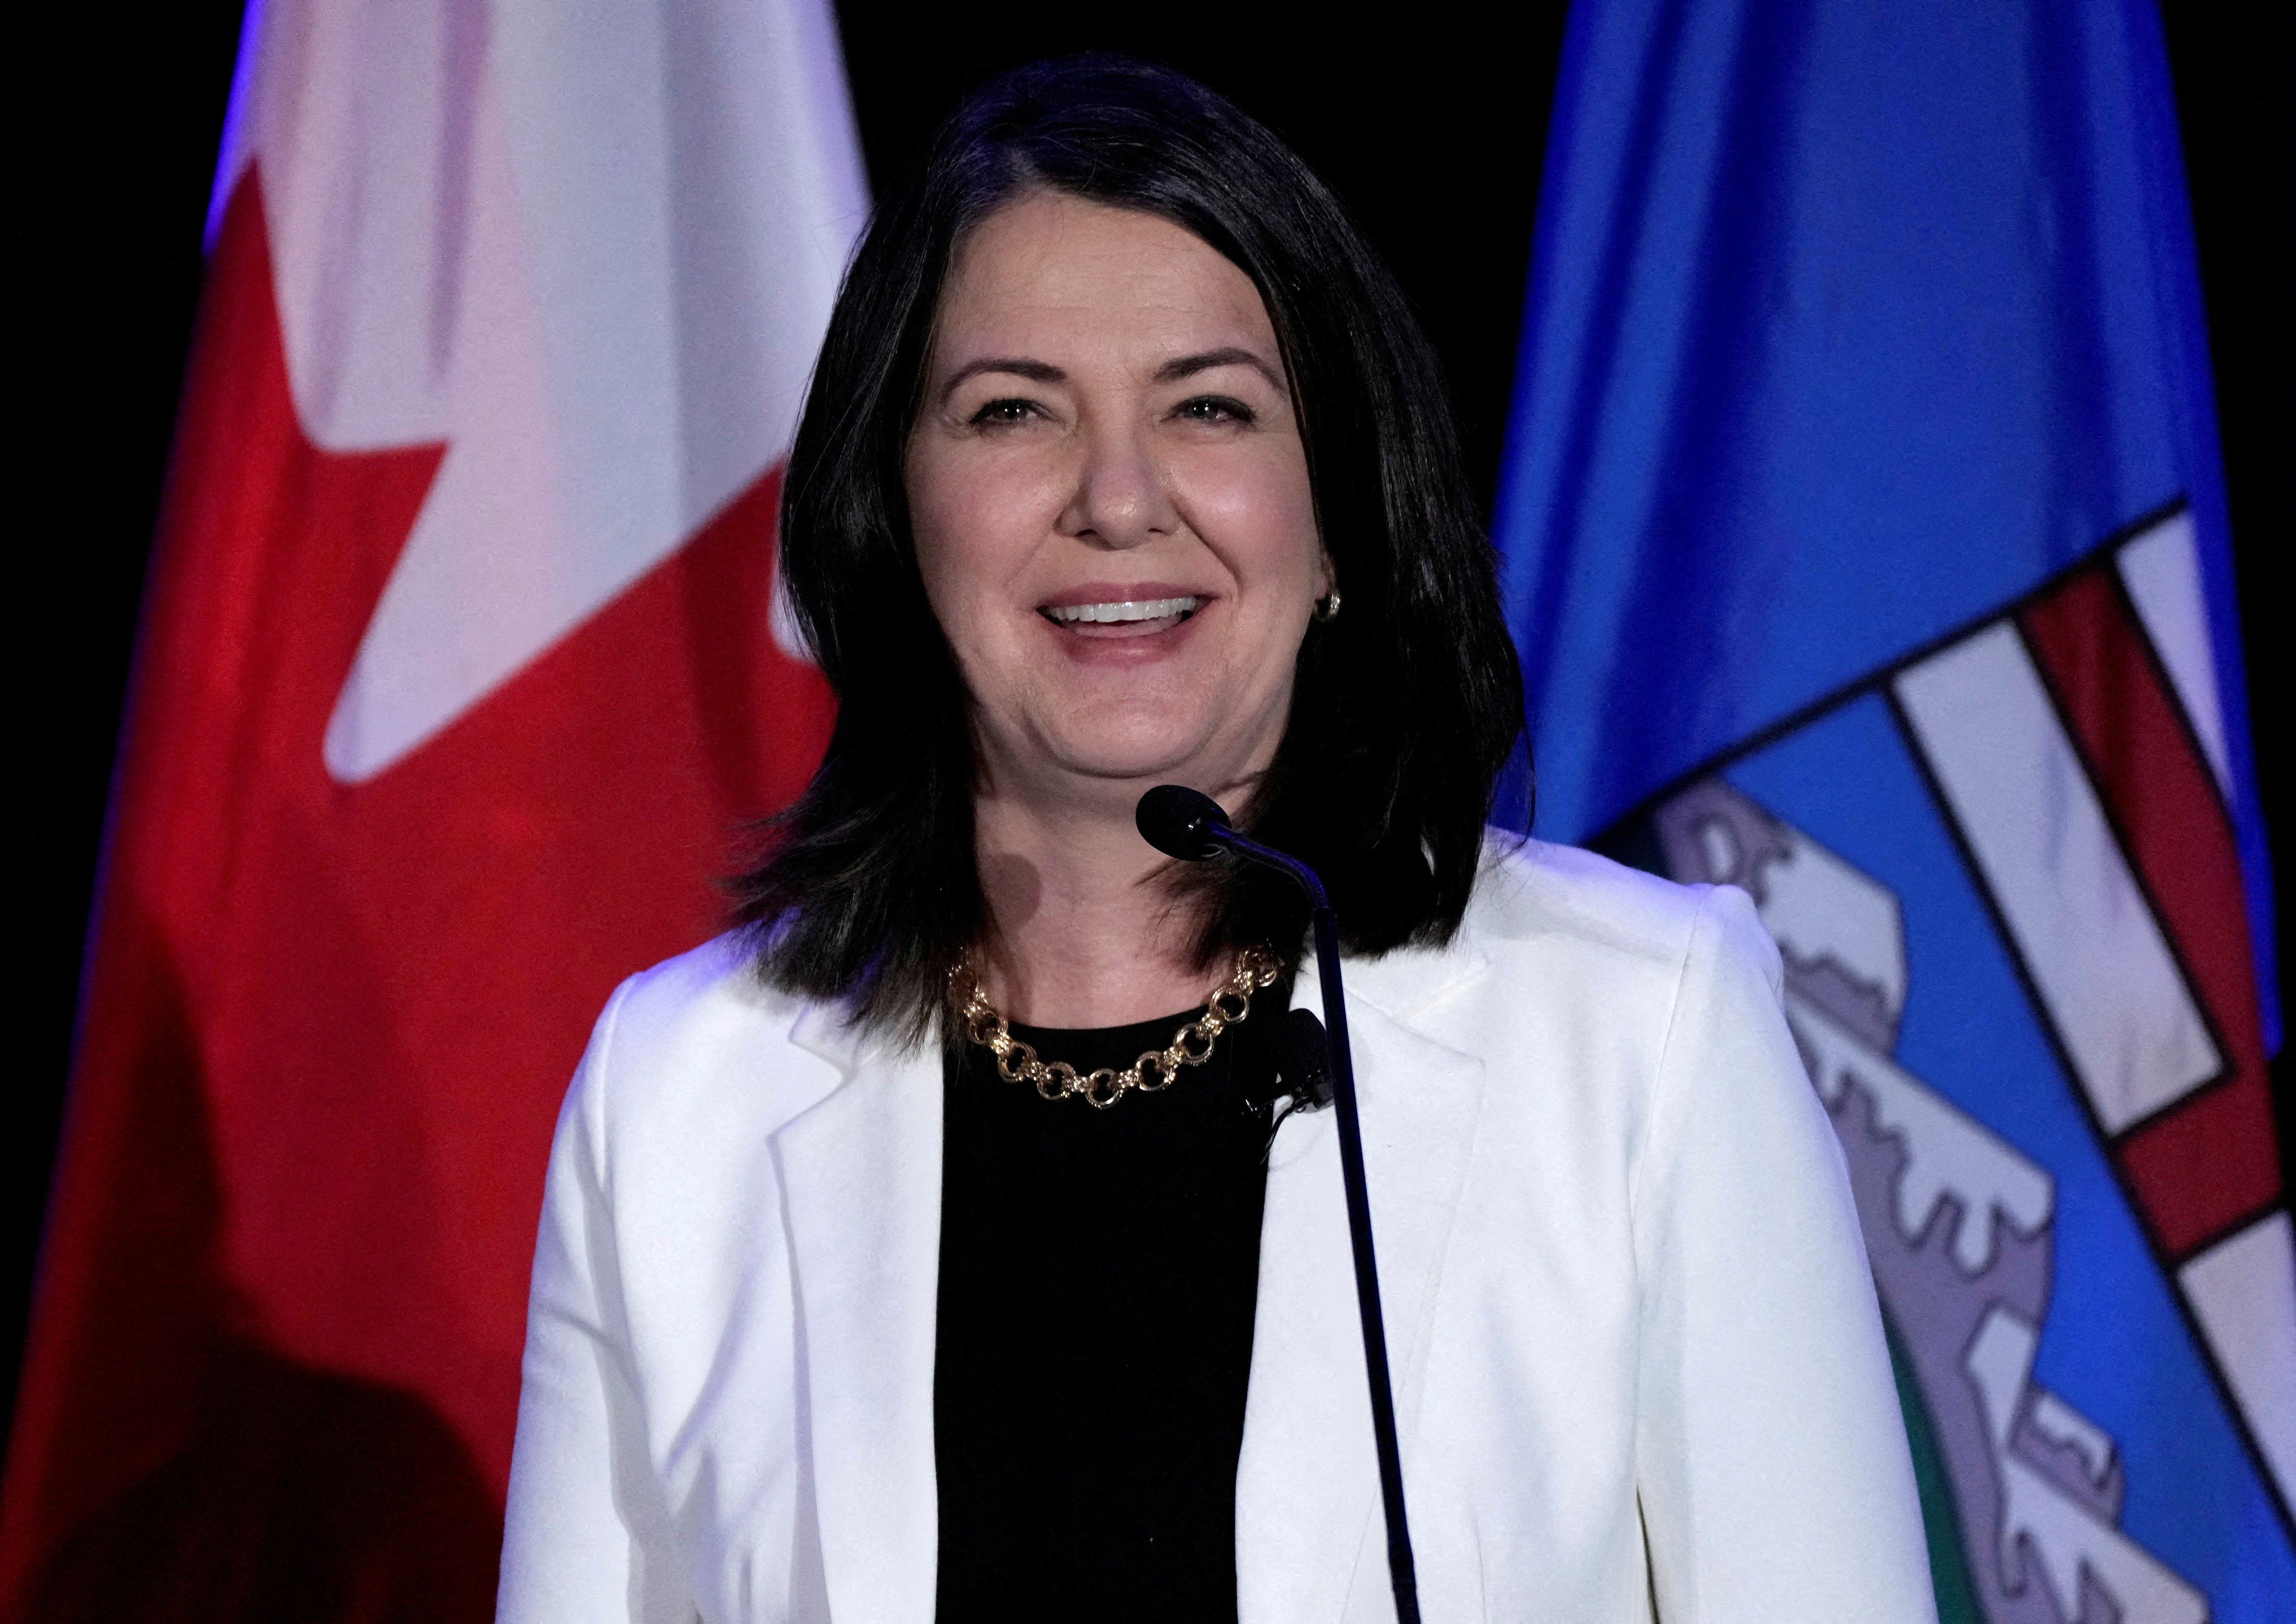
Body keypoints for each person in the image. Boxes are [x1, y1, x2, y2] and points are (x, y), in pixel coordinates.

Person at [494, 57, 1935, 1624]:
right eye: (1011, 412)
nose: (1118, 501)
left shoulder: (1642, 1032)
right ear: (891, 514)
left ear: (1335, 522)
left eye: (1208, 407)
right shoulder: (678, 1095)